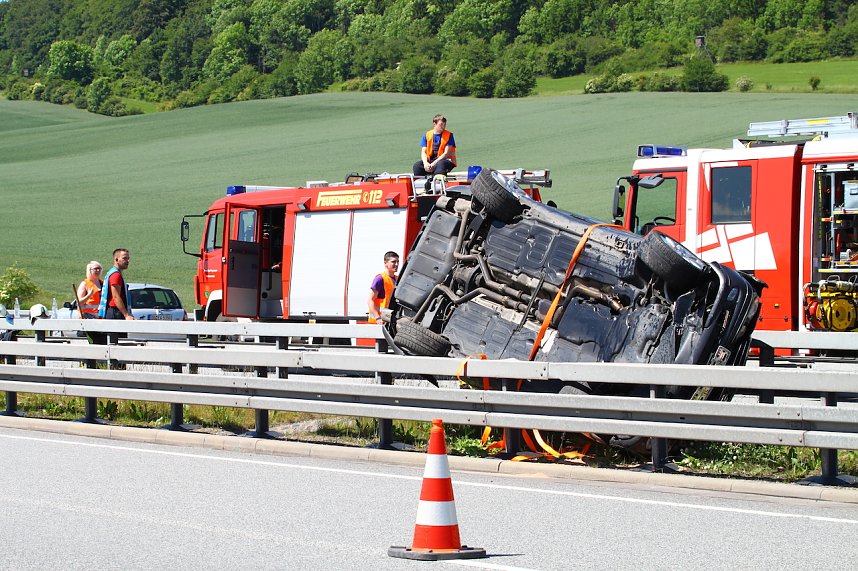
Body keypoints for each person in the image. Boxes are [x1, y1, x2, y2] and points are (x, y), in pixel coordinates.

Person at [98, 248, 135, 321]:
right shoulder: (115, 275)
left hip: (115, 312)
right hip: (115, 313)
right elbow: (116, 296)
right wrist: (126, 315)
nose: (127, 261)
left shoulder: (113, 273)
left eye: (128, 258)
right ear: (116, 259)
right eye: (124, 258)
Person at [367, 251, 399, 322]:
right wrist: (377, 317)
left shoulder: (397, 279)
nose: (396, 264)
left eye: (397, 262)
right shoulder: (380, 278)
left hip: (389, 321)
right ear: (385, 263)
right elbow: (370, 300)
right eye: (393, 262)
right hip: (378, 323)